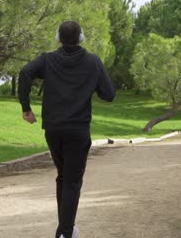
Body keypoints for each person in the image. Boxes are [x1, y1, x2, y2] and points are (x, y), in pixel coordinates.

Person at [18, 21, 116, 238]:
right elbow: (109, 95)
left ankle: (65, 229)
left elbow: (25, 73)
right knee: (72, 180)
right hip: (78, 130)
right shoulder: (93, 62)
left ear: (58, 37)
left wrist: (26, 108)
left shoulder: (47, 60)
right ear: (81, 37)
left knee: (63, 177)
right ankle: (65, 233)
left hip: (53, 129)